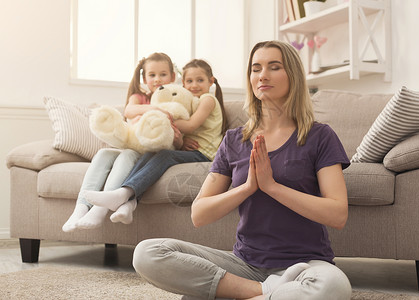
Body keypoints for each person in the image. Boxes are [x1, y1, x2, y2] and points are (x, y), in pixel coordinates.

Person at [131, 40, 353, 300]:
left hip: (306, 266)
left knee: (334, 287)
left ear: (292, 75)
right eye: (256, 68)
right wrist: (247, 188)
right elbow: (199, 214)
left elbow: (337, 214)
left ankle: (231, 293)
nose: (263, 75)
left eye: (274, 67)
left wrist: (272, 187)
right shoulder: (234, 140)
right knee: (148, 253)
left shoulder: (319, 136)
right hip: (244, 265)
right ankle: (262, 292)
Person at [83, 59, 228, 223]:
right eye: (189, 81)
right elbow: (182, 133)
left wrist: (162, 118)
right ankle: (128, 202)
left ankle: (124, 193)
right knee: (150, 156)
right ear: (183, 84)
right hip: (190, 151)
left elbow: (190, 126)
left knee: (165, 156)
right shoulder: (190, 101)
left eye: (200, 80)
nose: (194, 85)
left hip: (205, 154)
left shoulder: (208, 99)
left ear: (211, 81)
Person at [62, 52, 179, 232]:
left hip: (148, 153)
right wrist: (154, 109)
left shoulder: (175, 99)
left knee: (127, 156)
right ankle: (81, 207)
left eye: (163, 74)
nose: (157, 80)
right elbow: (129, 110)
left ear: (172, 76)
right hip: (132, 145)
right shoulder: (139, 97)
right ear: (144, 77)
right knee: (103, 153)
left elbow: (177, 134)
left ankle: (101, 209)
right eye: (152, 75)